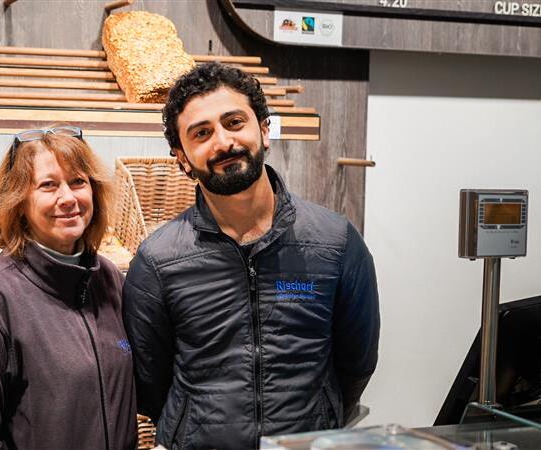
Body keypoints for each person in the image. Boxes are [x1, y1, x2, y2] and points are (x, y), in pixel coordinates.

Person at [122, 63, 380, 450]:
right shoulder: (159, 260)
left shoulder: (335, 241)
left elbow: (357, 360)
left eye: (234, 122)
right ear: (182, 157)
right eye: (202, 133)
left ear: (263, 129)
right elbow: (149, 379)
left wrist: (320, 421)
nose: (223, 142)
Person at [0, 126, 137, 450]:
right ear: (19, 201)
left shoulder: (108, 279)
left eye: (78, 182)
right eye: (48, 185)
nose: (68, 198)